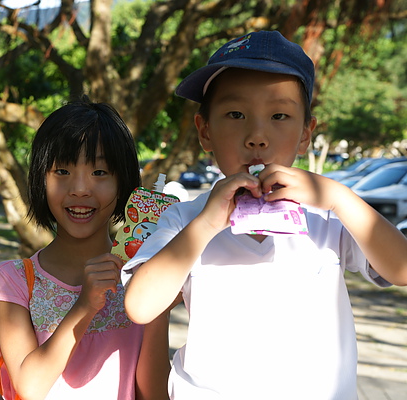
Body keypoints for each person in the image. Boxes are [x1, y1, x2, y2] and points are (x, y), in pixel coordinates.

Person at [123, 30, 407, 399]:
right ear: (204, 131)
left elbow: (401, 269)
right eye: (236, 114)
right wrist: (207, 224)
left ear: (306, 133)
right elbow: (141, 307)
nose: (257, 135)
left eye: (279, 115)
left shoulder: (327, 218)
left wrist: (337, 196)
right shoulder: (185, 220)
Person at [0, 97, 170, 400]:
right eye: (62, 172)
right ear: (40, 180)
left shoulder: (140, 279)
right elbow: (29, 387)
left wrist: (157, 301)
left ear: (123, 184)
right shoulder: (12, 281)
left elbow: (154, 393)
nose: (80, 188)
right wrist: (85, 305)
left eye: (99, 173)